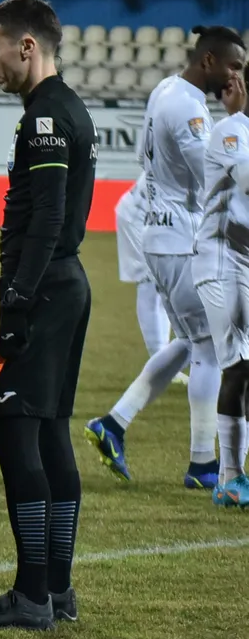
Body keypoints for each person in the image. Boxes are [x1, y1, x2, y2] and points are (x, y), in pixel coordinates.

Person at [0, 0, 97, 630]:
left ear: (27, 47)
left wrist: (17, 299)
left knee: (16, 433)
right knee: (51, 431)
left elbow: (48, 217)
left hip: (45, 288)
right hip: (64, 285)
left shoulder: (45, 116)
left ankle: (32, 595)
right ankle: (56, 590)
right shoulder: (65, 107)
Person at [85, 26, 246, 488]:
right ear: (209, 60)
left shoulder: (166, 90)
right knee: (211, 349)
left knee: (192, 343)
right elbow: (217, 176)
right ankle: (202, 464)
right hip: (182, 240)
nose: (237, 76)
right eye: (234, 65)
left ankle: (113, 423)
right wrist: (240, 120)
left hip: (161, 234)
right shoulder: (190, 109)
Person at [194, 64, 249, 506]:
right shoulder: (231, 132)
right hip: (220, 261)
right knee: (239, 365)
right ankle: (229, 479)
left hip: (244, 260)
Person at [115, 171, 189, 385]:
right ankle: (161, 364)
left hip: (158, 217)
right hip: (140, 217)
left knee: (163, 285)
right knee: (152, 283)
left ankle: (166, 362)